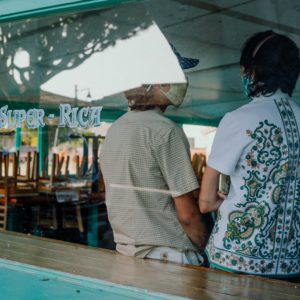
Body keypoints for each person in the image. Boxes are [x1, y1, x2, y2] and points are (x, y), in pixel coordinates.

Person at [199, 30, 300, 277]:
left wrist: (221, 201)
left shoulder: (238, 119)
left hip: (235, 259)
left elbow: (206, 202)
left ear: (255, 71)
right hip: (291, 262)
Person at [100, 80, 212, 266]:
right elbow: (187, 215)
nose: (181, 83)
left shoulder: (114, 131)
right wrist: (205, 248)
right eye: (171, 79)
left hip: (125, 253)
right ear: (154, 85)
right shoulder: (166, 131)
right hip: (169, 258)